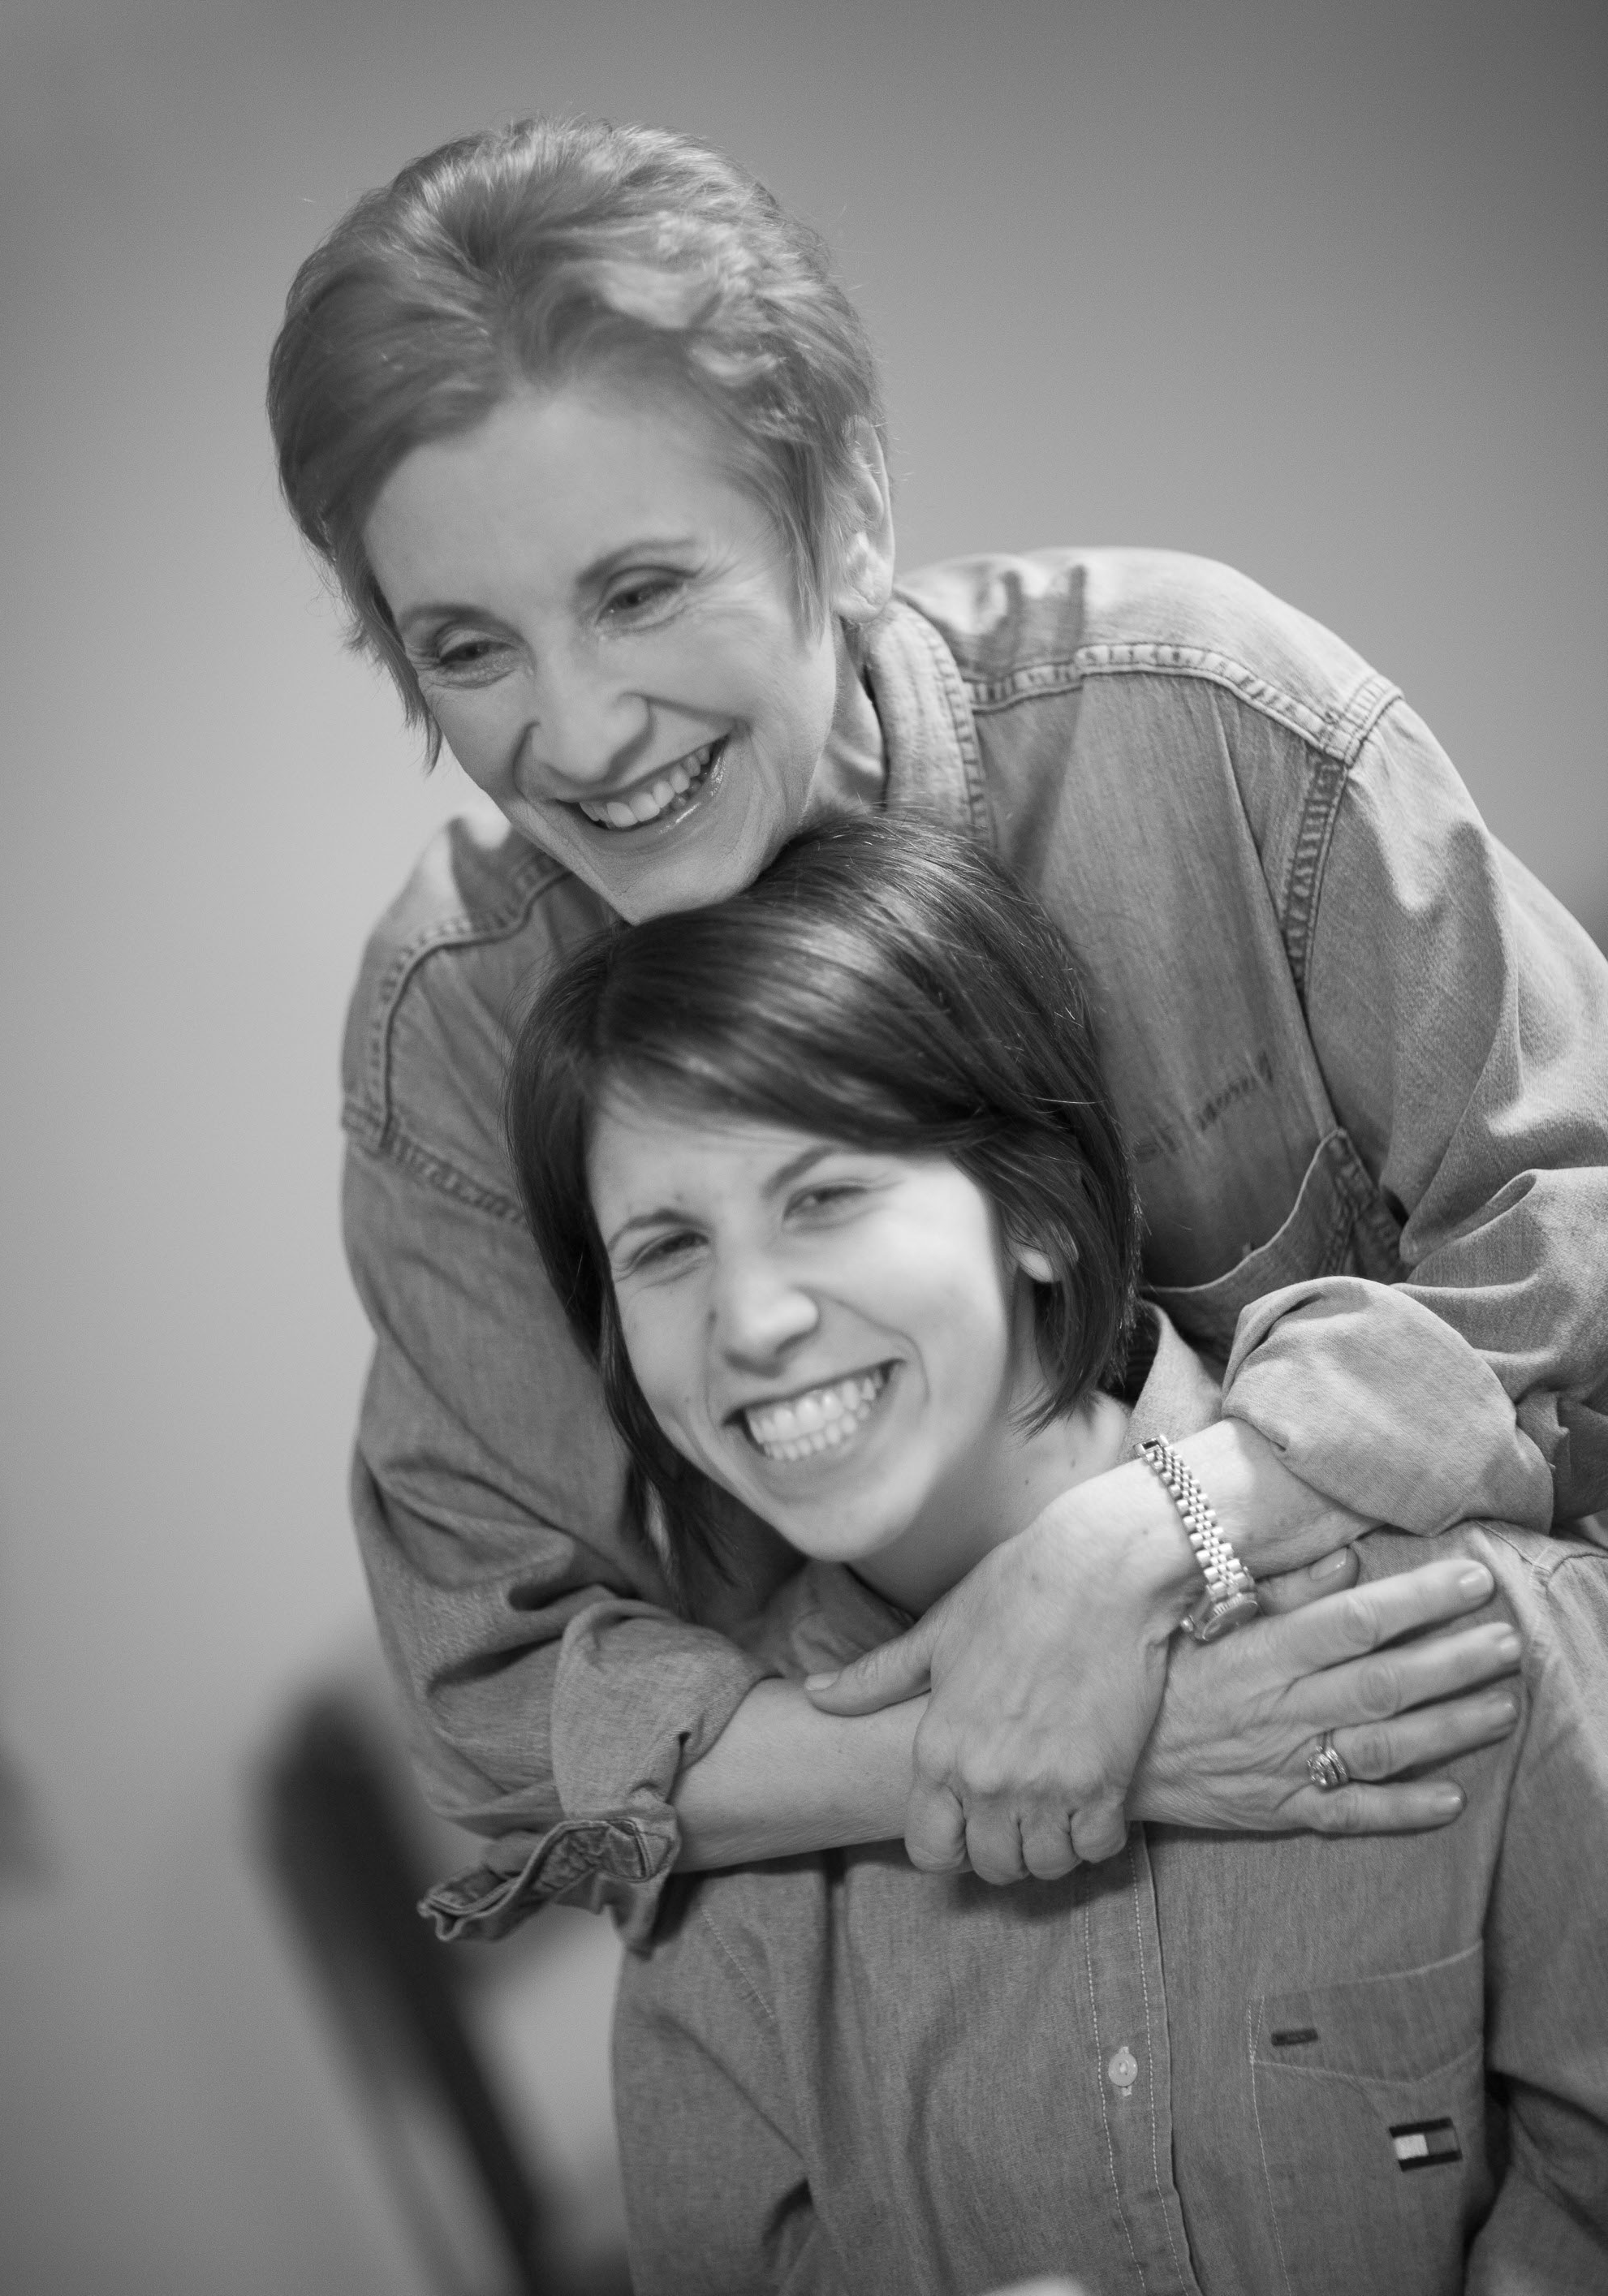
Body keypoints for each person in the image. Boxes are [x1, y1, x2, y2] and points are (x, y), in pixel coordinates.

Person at [265, 115, 1608, 1935]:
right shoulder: (452, 1024)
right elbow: (501, 1701)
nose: (575, 740)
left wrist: (1139, 1547)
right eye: (469, 650)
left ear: (851, 521)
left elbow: (1578, 1228)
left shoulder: (1206, 722)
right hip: (975, 1988)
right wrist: (1059, 1739)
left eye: (639, 592)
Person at [510, 814, 1608, 2296]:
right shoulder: (733, 1873)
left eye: (825, 1195)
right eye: (665, 1248)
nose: (754, 1320)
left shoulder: (1476, 1636)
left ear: (1031, 1212)